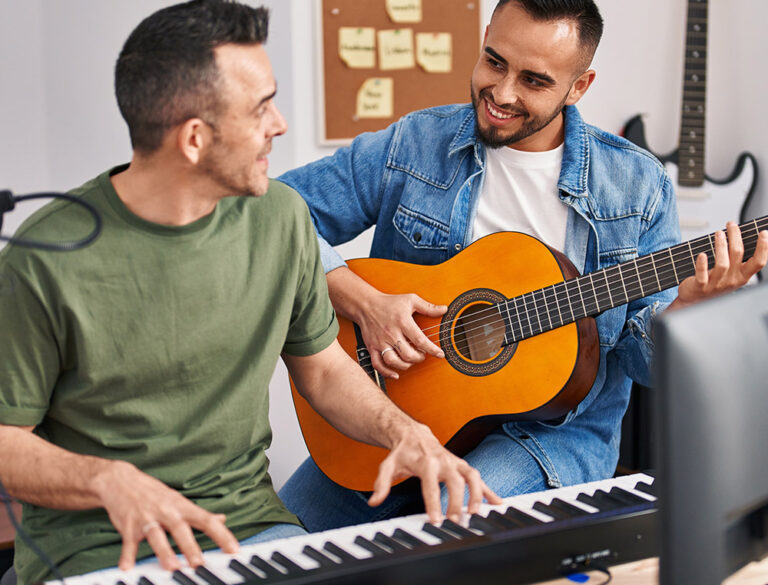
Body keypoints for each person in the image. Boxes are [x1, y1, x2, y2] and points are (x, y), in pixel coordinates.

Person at [0, 2, 500, 584]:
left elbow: (324, 370)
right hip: (94, 548)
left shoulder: (281, 219)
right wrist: (106, 481)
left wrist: (403, 431)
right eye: (261, 107)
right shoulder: (44, 258)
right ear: (193, 138)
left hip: (246, 527)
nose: (280, 124)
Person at [277, 0, 768, 532]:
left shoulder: (636, 187)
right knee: (269, 548)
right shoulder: (414, 144)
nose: (502, 93)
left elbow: (643, 364)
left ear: (579, 86)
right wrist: (360, 298)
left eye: (534, 80)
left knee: (444, 535)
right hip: (390, 410)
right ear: (486, 37)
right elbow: (274, 212)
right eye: (494, 62)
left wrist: (685, 318)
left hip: (551, 438)